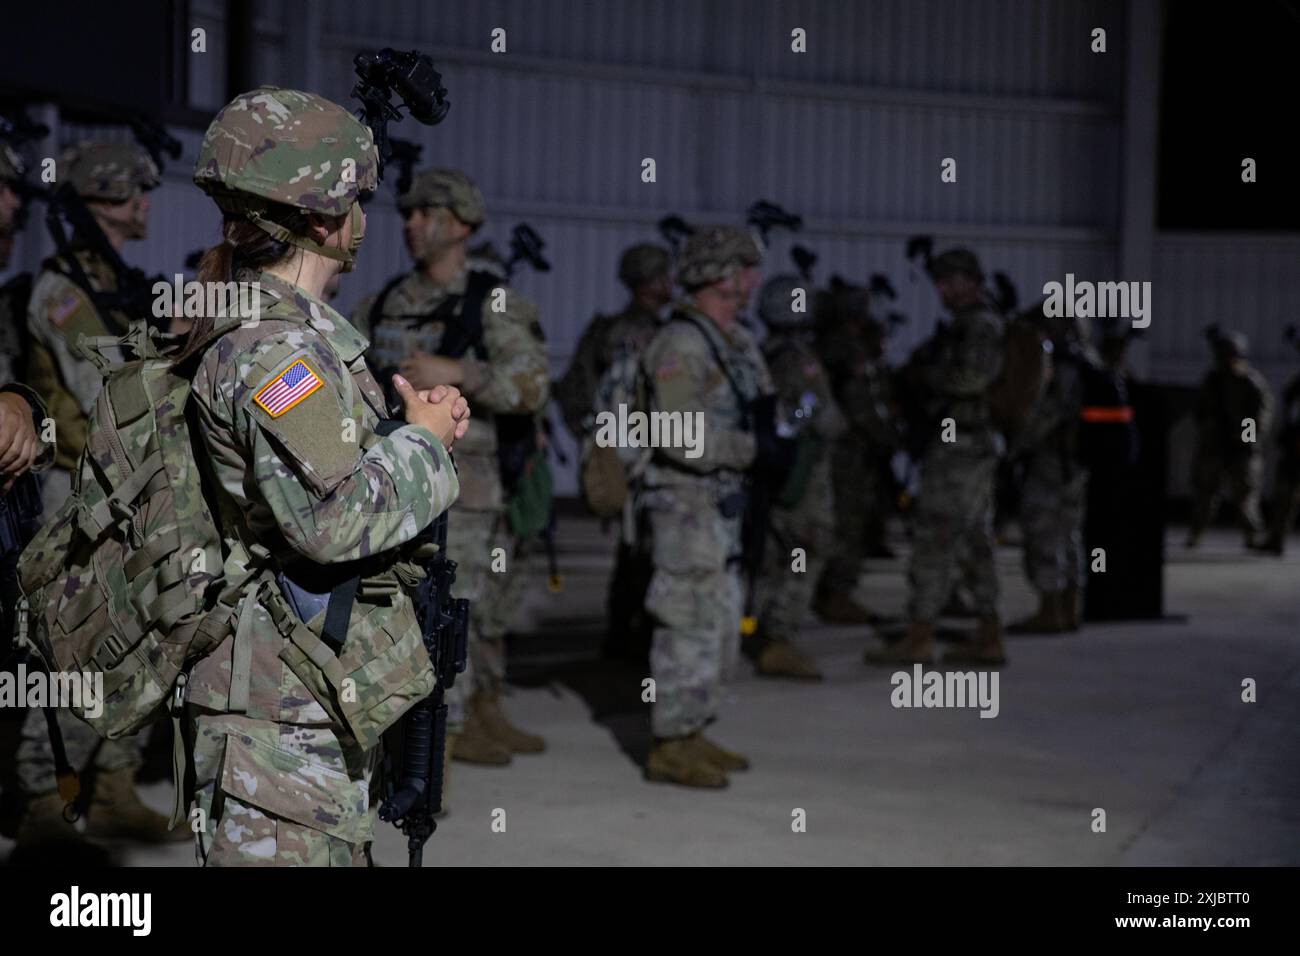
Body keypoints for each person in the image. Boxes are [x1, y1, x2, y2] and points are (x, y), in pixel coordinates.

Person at [182, 86, 468, 865]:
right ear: (323, 218)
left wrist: (408, 433)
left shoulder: (270, 328)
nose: (369, 220)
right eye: (360, 199)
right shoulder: (279, 352)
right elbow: (330, 522)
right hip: (276, 726)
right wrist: (425, 444)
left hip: (300, 701)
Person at [13, 140, 183, 848]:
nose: (144, 204)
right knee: (71, 645)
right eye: (131, 192)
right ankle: (44, 800)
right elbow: (103, 388)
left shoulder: (119, 281)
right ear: (102, 200)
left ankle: (113, 785)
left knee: (140, 639)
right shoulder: (60, 289)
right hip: (74, 488)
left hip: (134, 484)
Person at [353, 168, 550, 766]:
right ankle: (448, 728)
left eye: (426, 212)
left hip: (470, 487)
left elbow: (533, 384)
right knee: (418, 606)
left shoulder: (494, 299)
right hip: (399, 481)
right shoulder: (384, 301)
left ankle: (466, 721)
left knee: (469, 607)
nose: (410, 224)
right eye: (407, 214)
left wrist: (462, 373)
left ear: (461, 223)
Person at [639, 225, 772, 788]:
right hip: (685, 506)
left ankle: (694, 728)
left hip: (722, 509)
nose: (754, 281)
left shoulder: (735, 340)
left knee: (719, 623)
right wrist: (753, 450)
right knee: (687, 624)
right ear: (726, 274)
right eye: (747, 268)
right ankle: (670, 741)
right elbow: (676, 435)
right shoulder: (682, 344)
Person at [864, 248, 1006, 667]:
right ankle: (987, 631)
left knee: (934, 535)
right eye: (939, 282)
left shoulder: (979, 325)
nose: (942, 290)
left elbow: (972, 378)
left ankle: (920, 634)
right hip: (965, 442)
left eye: (950, 281)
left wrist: (924, 377)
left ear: (972, 280)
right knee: (974, 538)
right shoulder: (969, 324)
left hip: (960, 444)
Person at [555, 242, 673, 660]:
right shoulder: (662, 335)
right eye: (663, 276)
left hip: (622, 454)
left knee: (634, 548)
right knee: (646, 549)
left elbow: (571, 390)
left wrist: (596, 442)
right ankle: (631, 638)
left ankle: (622, 636)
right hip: (650, 458)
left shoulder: (604, 331)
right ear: (650, 282)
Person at [750, 274, 848, 679]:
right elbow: (818, 413)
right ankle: (779, 637)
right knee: (808, 549)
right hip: (803, 472)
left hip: (773, 469)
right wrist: (819, 421)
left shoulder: (761, 353)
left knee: (775, 552)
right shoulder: (800, 359)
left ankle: (761, 625)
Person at [814, 283, 899, 623]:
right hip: (849, 449)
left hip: (827, 447)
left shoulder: (824, 346)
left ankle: (823, 589)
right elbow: (861, 405)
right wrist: (888, 437)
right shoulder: (850, 351)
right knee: (848, 522)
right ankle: (838, 593)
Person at [1007, 310, 1092, 633]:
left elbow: (1046, 415)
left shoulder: (1063, 366)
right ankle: (1071, 609)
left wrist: (1013, 447)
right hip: (1076, 463)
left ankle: (1050, 610)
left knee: (1043, 532)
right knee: (1070, 534)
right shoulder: (1088, 360)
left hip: (1052, 461)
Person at [1186, 330, 1273, 549]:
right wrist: (1209, 431)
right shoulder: (1212, 380)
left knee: (1245, 497)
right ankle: (1196, 533)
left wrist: (1244, 442)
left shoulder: (1250, 382)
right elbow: (1200, 410)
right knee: (1205, 495)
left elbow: (1259, 415)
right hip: (1215, 446)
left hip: (1240, 449)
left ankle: (1253, 535)